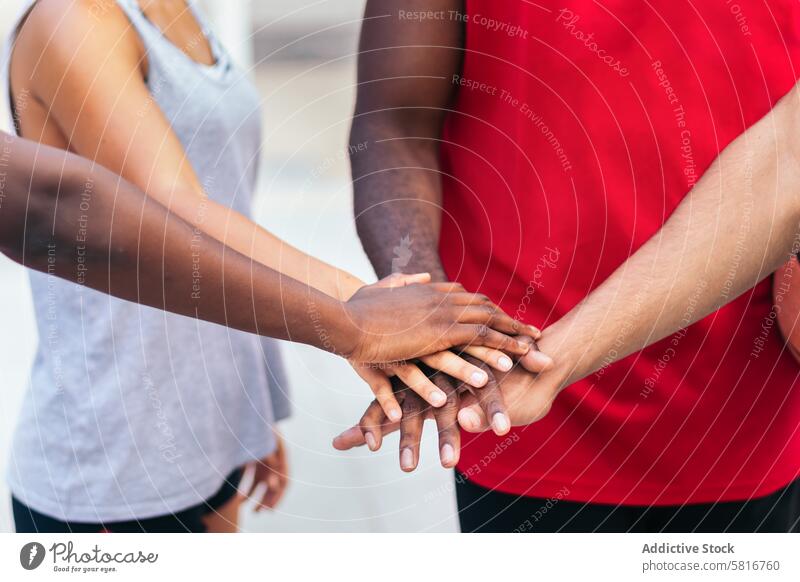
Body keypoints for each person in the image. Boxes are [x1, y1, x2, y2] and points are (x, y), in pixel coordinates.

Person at [2, 0, 539, 533]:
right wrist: (364, 310)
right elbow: (185, 211)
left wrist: (249, 412)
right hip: (115, 452)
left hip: (207, 424)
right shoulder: (72, 19)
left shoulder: (179, 11)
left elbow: (228, 216)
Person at [336, 0, 800, 532]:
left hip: (751, 392)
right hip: (509, 387)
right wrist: (431, 311)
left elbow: (786, 167)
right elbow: (393, 123)